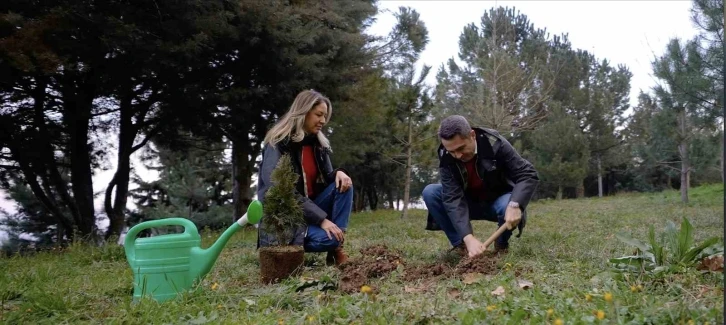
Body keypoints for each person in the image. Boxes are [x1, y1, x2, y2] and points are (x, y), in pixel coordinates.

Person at [256, 89, 353, 266]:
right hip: (285, 220)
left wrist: (339, 172)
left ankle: (337, 250)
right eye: (319, 115)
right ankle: (327, 242)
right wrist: (322, 220)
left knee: (344, 183)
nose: (323, 121)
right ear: (303, 112)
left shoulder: (318, 144)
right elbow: (279, 190)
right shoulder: (278, 143)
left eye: (325, 116)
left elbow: (325, 181)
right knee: (328, 239)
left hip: (309, 211)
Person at [422, 115, 539, 258]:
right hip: (469, 204)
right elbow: (452, 198)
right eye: (452, 151)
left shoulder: (496, 144)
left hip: (498, 202)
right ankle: (462, 246)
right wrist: (467, 236)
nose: (457, 155)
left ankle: (501, 245)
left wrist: (516, 204)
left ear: (472, 135)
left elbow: (527, 173)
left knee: (508, 203)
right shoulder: (446, 156)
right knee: (430, 192)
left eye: (461, 148)